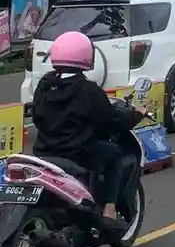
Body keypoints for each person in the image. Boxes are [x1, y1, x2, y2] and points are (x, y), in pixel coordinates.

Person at [31, 31, 145, 235]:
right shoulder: (88, 90)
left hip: (44, 152)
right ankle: (109, 211)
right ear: (86, 56)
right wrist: (136, 116)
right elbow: (111, 121)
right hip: (79, 153)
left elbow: (37, 117)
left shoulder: (44, 86)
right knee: (113, 154)